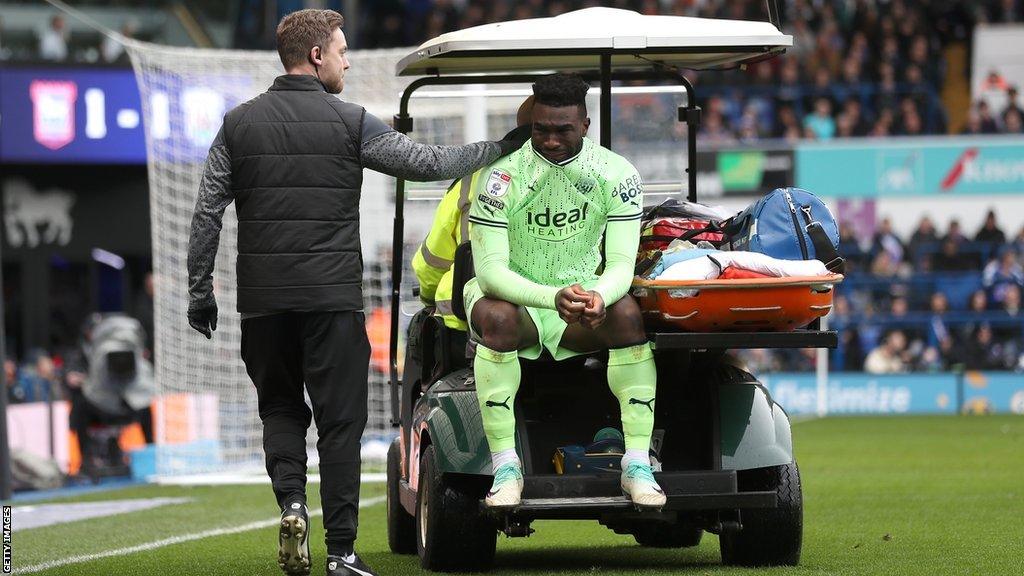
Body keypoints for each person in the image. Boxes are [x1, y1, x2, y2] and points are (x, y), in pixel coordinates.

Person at [184, 9, 524, 576]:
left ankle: (292, 506)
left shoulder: (236, 124)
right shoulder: (349, 122)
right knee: (340, 423)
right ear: (316, 56)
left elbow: (205, 212)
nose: (346, 59)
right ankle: (341, 550)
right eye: (341, 50)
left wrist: (201, 292)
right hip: (331, 300)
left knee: (280, 410)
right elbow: (428, 164)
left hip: (263, 304)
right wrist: (505, 145)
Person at [464, 73, 665, 510]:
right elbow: (491, 272)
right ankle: (505, 467)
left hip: (578, 299)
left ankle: (636, 465)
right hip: (515, 300)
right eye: (541, 130)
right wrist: (548, 297)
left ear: (586, 125)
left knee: (628, 314)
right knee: (496, 318)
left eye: (563, 131)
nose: (550, 140)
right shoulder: (500, 178)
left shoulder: (617, 174)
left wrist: (601, 297)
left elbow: (620, 266)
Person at [412, 96, 534, 331]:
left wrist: (428, 297)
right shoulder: (595, 176)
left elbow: (433, 260)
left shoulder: (473, 178)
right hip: (569, 320)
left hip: (466, 321)